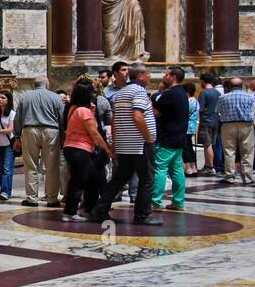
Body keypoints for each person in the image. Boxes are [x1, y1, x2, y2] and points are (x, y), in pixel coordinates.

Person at [91, 63, 160, 226]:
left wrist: (115, 142)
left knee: (119, 178)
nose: (150, 77)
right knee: (148, 179)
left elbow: (114, 120)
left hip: (125, 143)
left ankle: (100, 209)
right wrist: (148, 137)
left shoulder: (122, 93)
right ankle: (142, 215)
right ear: (141, 75)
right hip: (139, 144)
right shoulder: (139, 92)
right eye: (148, 74)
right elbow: (137, 116)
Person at [61, 79, 111, 222]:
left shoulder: (73, 108)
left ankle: (88, 207)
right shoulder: (84, 111)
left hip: (71, 147)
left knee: (89, 178)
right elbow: (94, 133)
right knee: (79, 181)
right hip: (80, 149)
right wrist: (107, 148)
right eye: (91, 92)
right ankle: (70, 212)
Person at [15, 75, 64, 207]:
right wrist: (63, 138)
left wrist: (16, 137)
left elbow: (17, 118)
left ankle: (31, 198)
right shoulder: (55, 97)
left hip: (30, 130)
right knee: (52, 167)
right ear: (47, 85)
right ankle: (52, 199)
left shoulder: (25, 97)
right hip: (51, 131)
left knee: (31, 165)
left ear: (34, 85)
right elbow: (62, 118)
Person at [151, 66, 190, 212]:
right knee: (176, 170)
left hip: (167, 137)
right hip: (179, 138)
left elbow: (155, 112)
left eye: (166, 74)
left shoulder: (170, 94)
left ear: (173, 77)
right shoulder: (182, 93)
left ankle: (155, 201)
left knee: (160, 169)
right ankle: (178, 201)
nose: (164, 76)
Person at [218, 75, 255, 184]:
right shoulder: (250, 97)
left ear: (229, 86)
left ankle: (229, 176)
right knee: (247, 152)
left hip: (228, 125)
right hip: (246, 125)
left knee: (229, 152)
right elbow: (254, 112)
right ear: (242, 86)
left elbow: (219, 112)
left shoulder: (222, 97)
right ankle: (247, 177)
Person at [0, 90, 16, 200]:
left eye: (3, 98)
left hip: (8, 145)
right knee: (1, 169)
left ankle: (6, 192)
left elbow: (10, 129)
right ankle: (3, 190)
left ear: (8, 100)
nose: (0, 99)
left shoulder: (12, 113)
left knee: (7, 168)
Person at [197, 72, 221, 176]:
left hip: (206, 120)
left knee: (207, 145)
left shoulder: (204, 93)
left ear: (202, 81)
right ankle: (209, 165)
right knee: (212, 143)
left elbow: (200, 108)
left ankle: (210, 166)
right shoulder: (217, 92)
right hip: (215, 120)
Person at [183, 82, 199, 176]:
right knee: (189, 147)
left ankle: (188, 168)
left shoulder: (189, 101)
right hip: (192, 126)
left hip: (186, 126)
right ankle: (193, 167)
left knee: (185, 148)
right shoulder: (196, 101)